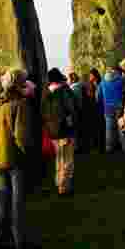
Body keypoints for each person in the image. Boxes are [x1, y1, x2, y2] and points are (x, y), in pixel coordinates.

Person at [0, 68, 32, 249]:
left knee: (1, 201)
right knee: (17, 203)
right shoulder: (19, 105)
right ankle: (18, 243)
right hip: (13, 159)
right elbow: (21, 137)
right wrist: (28, 153)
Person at [42, 68, 78, 196]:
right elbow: (73, 110)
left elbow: (43, 113)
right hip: (65, 130)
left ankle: (58, 182)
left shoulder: (46, 93)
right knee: (67, 160)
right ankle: (64, 186)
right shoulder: (65, 91)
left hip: (52, 132)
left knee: (59, 158)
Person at [96, 66, 125, 154]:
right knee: (121, 127)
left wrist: (102, 106)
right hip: (120, 107)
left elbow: (98, 97)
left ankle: (109, 149)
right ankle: (124, 148)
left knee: (109, 129)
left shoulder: (102, 82)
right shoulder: (121, 80)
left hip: (108, 108)